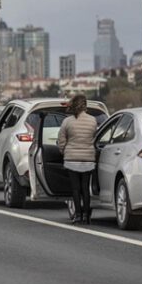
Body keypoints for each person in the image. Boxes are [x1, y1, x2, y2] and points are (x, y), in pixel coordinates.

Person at [57, 94, 97, 224]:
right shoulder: (93, 120)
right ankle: (86, 215)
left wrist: (64, 152)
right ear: (85, 105)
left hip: (72, 159)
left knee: (75, 188)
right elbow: (95, 139)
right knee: (85, 188)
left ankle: (78, 215)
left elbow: (61, 141)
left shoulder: (67, 121)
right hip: (88, 159)